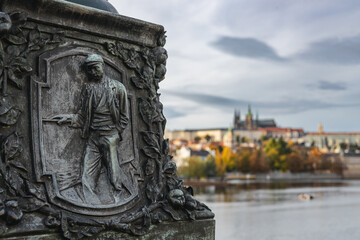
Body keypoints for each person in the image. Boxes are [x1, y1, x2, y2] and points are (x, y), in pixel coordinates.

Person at [51, 54, 129, 204]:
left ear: (102, 66)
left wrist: (116, 133)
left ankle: (121, 200)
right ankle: (90, 205)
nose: (92, 72)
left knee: (114, 175)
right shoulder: (88, 89)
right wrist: (67, 118)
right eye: (89, 70)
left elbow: (124, 116)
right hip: (93, 137)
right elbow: (82, 116)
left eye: (95, 68)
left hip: (109, 136)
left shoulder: (118, 88)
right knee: (87, 175)